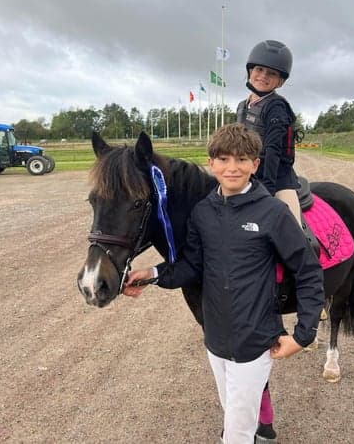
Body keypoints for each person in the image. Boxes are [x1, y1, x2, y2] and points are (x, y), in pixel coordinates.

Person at [123, 123, 324, 444]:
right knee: (233, 414)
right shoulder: (203, 212)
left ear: (255, 164)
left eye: (242, 160)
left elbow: (308, 271)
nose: (233, 168)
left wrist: (303, 334)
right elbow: (192, 266)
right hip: (215, 342)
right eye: (224, 159)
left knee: (236, 434)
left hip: (254, 343)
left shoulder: (273, 213)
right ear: (211, 163)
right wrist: (152, 275)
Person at [237, 39, 302, 225]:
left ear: (280, 81)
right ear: (250, 71)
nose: (263, 76)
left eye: (271, 73)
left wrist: (266, 189)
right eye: (259, 69)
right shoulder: (242, 106)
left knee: (292, 229)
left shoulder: (276, 106)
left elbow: (273, 150)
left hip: (277, 177)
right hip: (247, 172)